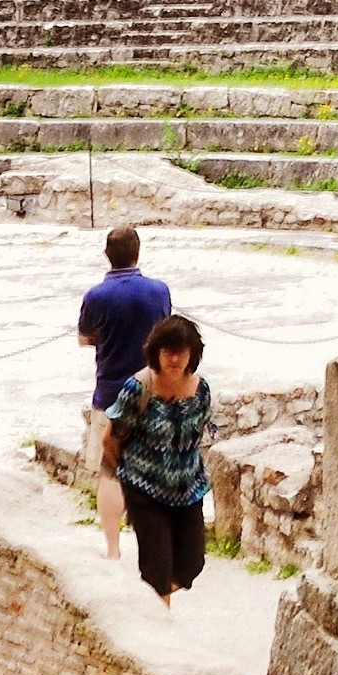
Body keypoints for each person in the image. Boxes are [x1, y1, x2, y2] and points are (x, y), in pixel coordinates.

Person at [101, 313, 215, 609]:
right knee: (157, 568)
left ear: (192, 353)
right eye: (167, 351)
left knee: (192, 565)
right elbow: (110, 439)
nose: (174, 359)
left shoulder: (201, 390)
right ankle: (159, 634)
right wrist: (129, 475)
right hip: (145, 490)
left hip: (188, 489)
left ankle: (146, 607)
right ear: (157, 352)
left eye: (181, 351)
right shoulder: (138, 388)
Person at [77, 221, 171, 565]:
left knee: (110, 472)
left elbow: (84, 338)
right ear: (138, 253)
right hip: (153, 392)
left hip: (110, 395)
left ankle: (114, 550)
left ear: (107, 255)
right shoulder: (159, 291)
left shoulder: (96, 296)